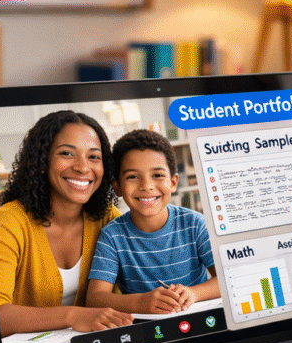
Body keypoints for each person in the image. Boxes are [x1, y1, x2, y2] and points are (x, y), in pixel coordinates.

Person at [0, 110, 133, 337]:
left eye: (94, 156)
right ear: (42, 160)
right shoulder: (8, 223)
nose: (83, 168)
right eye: (67, 153)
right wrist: (73, 316)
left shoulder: (107, 218)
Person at [86, 129, 219, 314]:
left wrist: (193, 293)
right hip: (146, 331)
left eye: (157, 175)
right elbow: (95, 299)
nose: (146, 186)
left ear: (172, 183)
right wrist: (141, 302)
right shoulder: (112, 236)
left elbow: (226, 278)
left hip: (199, 320)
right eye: (133, 176)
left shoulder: (195, 224)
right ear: (117, 187)